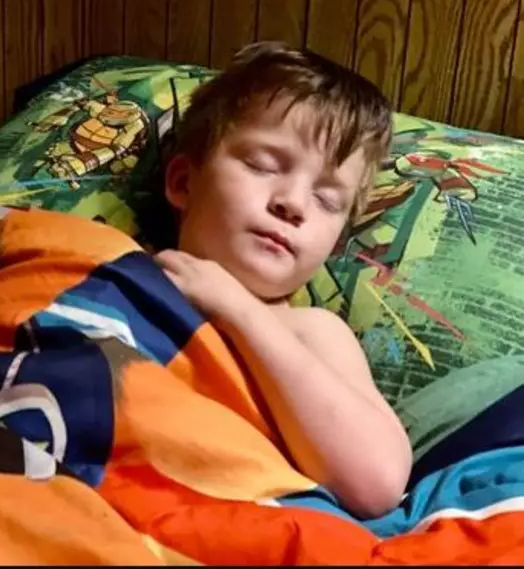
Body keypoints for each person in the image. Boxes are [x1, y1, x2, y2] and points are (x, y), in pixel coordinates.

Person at [155, 42, 412, 519]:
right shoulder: (126, 268)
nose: (292, 203)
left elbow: (378, 481)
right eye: (263, 165)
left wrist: (239, 310)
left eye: (328, 200)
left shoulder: (312, 332)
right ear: (184, 182)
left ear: (335, 243)